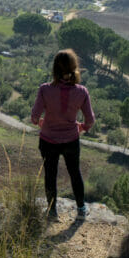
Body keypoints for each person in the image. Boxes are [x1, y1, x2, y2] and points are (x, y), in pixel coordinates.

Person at [31, 48, 95, 222]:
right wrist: (81, 127)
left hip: (48, 140)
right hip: (71, 141)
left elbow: (34, 117)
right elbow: (90, 120)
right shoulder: (82, 92)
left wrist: (42, 122)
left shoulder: (44, 89)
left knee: (50, 175)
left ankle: (52, 212)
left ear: (54, 69)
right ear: (74, 68)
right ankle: (81, 210)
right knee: (75, 173)